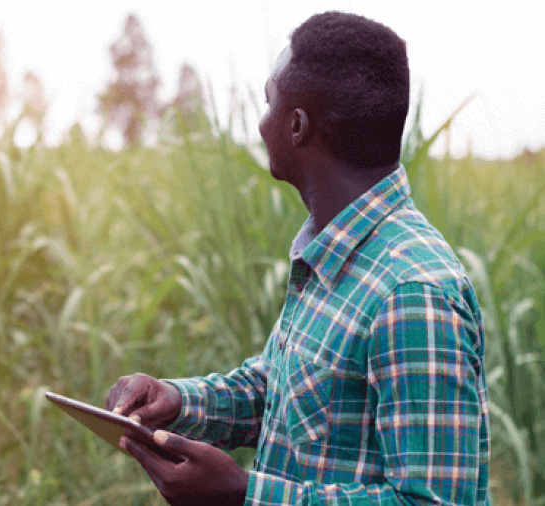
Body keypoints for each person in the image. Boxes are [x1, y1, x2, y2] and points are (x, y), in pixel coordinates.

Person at [106, 11, 490, 505]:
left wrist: (245, 495)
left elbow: (434, 502)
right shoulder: (334, 252)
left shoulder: (412, 294)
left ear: (296, 126)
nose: (259, 122)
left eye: (268, 102)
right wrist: (177, 400)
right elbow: (285, 393)